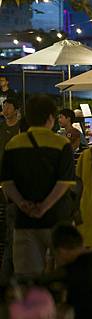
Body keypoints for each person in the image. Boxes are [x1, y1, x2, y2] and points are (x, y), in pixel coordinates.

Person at [1, 95, 75, 278]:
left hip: (24, 221)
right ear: (50, 118)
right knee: (65, 275)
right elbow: (64, 182)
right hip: (57, 219)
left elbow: (7, 182)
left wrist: (22, 203)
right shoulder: (61, 144)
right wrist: (44, 207)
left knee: (28, 279)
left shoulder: (13, 144)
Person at [0, 98, 20, 281]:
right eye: (3, 106)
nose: (5, 109)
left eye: (8, 106)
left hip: (17, 185)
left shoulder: (21, 128)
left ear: (16, 109)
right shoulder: (1, 128)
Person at [0, 98, 21, 168]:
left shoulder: (21, 127)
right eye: (4, 107)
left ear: (16, 111)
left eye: (8, 108)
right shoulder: (1, 126)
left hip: (15, 167)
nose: (5, 111)